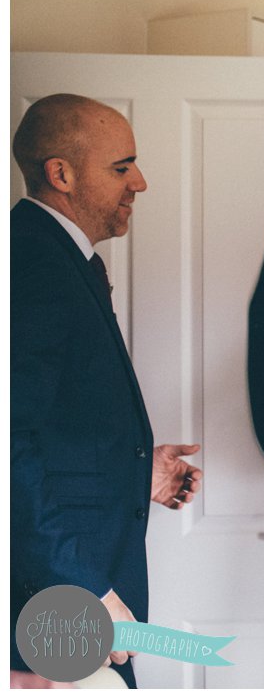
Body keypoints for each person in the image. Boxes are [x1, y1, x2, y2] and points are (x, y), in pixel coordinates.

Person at [11, 94, 203, 688]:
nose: (140, 182)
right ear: (61, 174)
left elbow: (52, 425)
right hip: (47, 599)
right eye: (122, 167)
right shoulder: (31, 265)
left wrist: (133, 469)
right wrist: (85, 588)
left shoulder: (62, 259)